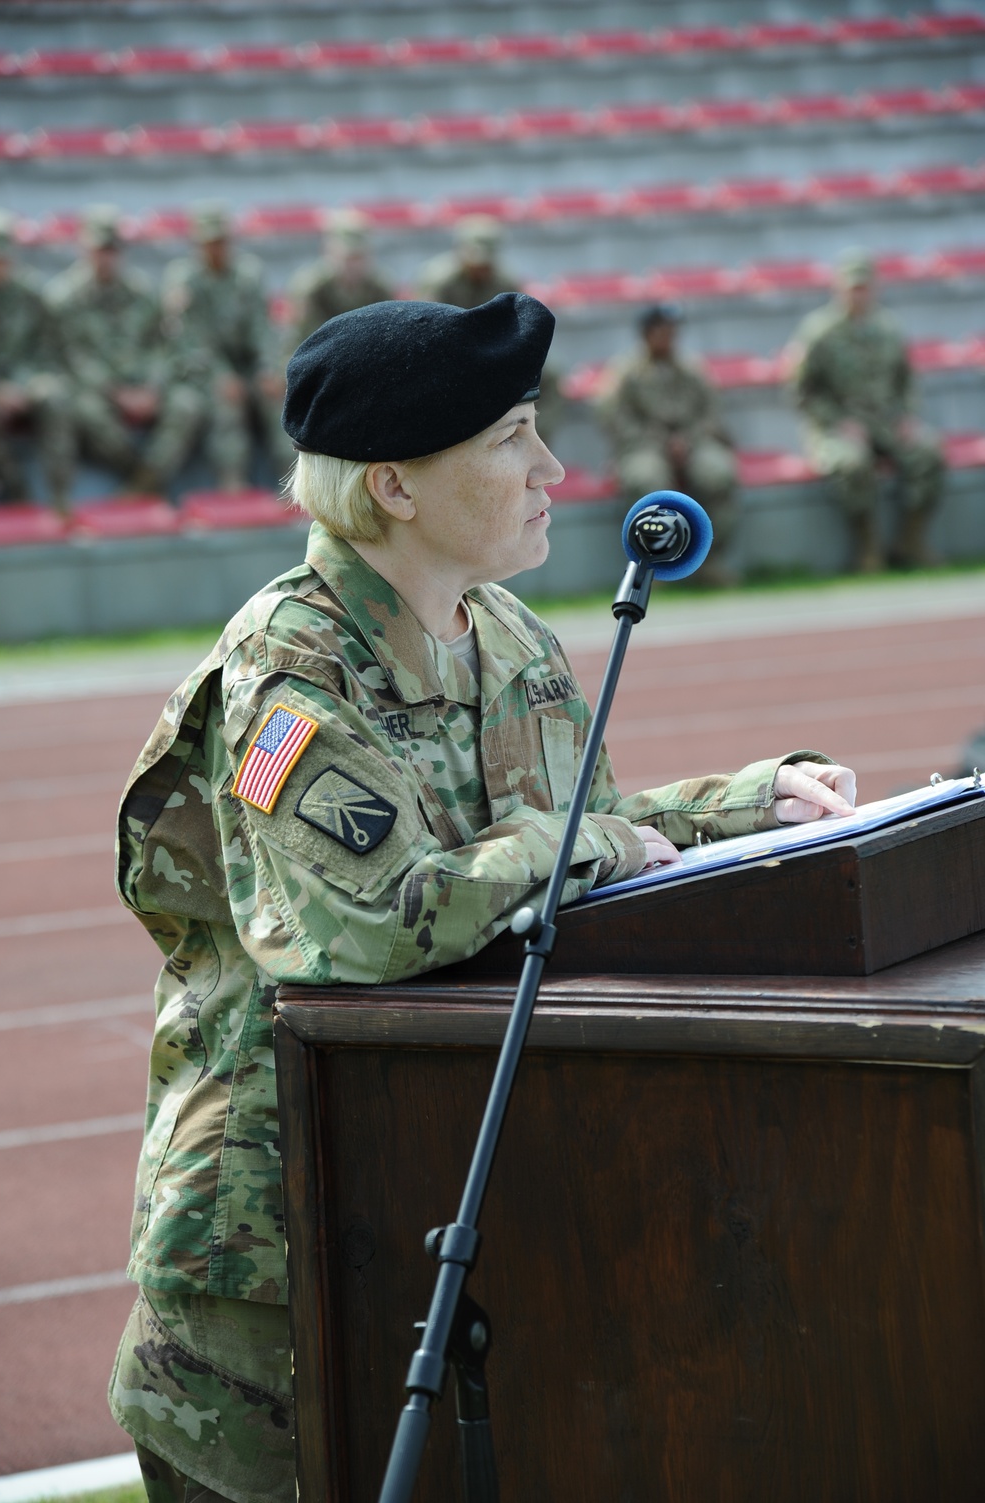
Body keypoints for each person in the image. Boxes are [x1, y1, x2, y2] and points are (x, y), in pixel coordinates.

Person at [109, 293, 857, 1503]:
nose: (551, 467)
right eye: (510, 439)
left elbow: (574, 828)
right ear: (395, 486)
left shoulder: (502, 633)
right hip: (275, 1255)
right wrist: (589, 846)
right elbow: (372, 923)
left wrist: (742, 804)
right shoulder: (286, 681)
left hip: (440, 1195)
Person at [788, 249, 945, 573]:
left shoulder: (889, 329)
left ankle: (910, 541)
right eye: (851, 288)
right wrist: (836, 422)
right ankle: (867, 546)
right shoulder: (819, 331)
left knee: (929, 453)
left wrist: (905, 416)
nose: (858, 294)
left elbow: (906, 382)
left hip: (885, 422)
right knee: (852, 463)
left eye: (863, 287)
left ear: (874, 288)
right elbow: (801, 391)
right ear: (839, 290)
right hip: (838, 426)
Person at [46, 204, 204, 494]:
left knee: (186, 403)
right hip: (97, 389)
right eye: (99, 249)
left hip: (143, 386)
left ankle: (143, 485)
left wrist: (152, 388)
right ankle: (143, 477)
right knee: (86, 411)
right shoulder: (64, 298)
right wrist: (117, 394)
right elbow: (70, 356)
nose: (105, 257)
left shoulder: (140, 292)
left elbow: (162, 345)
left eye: (112, 249)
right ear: (84, 249)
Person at [597, 303, 739, 586]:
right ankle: (654, 565)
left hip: (693, 442)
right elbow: (614, 417)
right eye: (662, 331)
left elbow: (710, 412)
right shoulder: (626, 373)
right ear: (647, 334)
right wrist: (661, 441)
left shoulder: (692, 369)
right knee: (648, 483)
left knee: (719, 475)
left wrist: (688, 438)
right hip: (644, 445)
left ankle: (708, 559)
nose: (669, 337)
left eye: (672, 331)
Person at [163, 202, 290, 492]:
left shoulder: (248, 275)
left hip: (246, 364)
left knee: (275, 397)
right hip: (202, 370)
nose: (215, 249)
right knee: (226, 406)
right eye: (209, 243)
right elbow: (187, 340)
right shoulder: (185, 280)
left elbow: (263, 328)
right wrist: (219, 374)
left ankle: (292, 479)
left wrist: (267, 368)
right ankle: (233, 481)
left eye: (220, 241)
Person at [417, 215, 564, 446]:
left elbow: (519, 326)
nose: (480, 268)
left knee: (549, 374)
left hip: (493, 348)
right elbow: (427, 329)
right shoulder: (439, 281)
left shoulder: (504, 281)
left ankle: (531, 438)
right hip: (449, 352)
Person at [0, 208, 74, 511]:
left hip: (26, 380)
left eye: (4, 257)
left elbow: (49, 350)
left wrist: (22, 386)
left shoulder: (30, 294)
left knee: (55, 396)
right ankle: (16, 490)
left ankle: (60, 498)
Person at [285, 207, 395, 351]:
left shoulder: (380, 287)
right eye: (348, 258)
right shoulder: (310, 288)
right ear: (329, 252)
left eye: (360, 257)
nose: (354, 265)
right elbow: (301, 340)